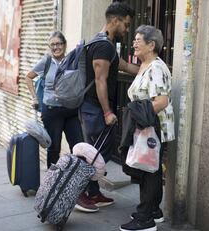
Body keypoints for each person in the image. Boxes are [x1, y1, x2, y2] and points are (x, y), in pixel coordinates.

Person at [76, 2, 139, 213]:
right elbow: (100, 80)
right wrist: (107, 112)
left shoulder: (107, 44)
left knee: (98, 153)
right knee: (93, 155)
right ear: (114, 21)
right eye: (126, 25)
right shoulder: (103, 45)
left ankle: (93, 193)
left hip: (94, 108)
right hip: (95, 109)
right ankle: (80, 194)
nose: (127, 30)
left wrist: (148, 68)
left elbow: (124, 66)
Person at [119, 25, 175, 231]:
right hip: (146, 126)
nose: (134, 43)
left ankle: (144, 220)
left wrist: (138, 117)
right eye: (134, 39)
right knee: (151, 168)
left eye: (138, 40)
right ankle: (153, 211)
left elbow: (161, 101)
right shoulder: (145, 65)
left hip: (152, 127)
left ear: (151, 45)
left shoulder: (156, 68)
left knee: (148, 171)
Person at [25, 31, 83, 168]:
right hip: (51, 111)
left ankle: (78, 182)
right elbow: (28, 77)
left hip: (71, 110)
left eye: (59, 44)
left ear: (64, 44)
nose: (56, 47)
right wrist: (34, 98)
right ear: (49, 47)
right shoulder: (46, 61)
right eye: (53, 45)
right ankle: (52, 184)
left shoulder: (71, 60)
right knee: (54, 148)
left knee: (78, 146)